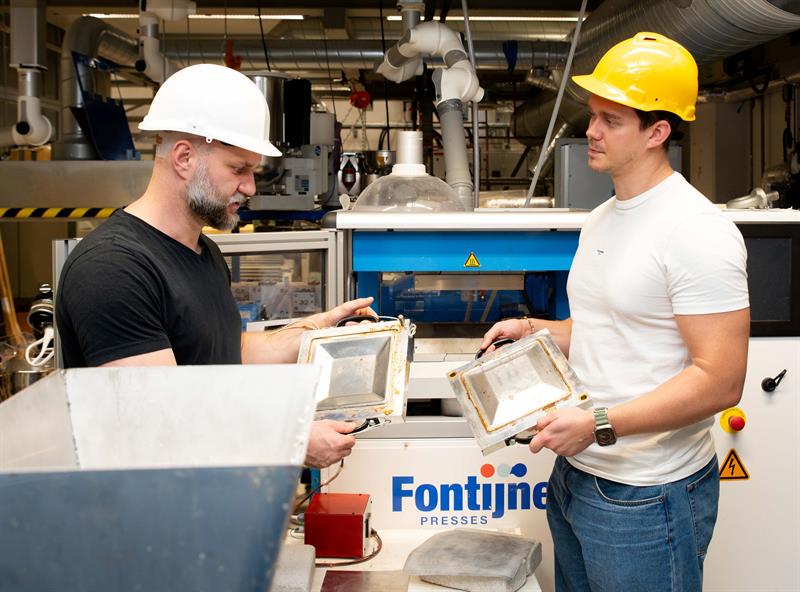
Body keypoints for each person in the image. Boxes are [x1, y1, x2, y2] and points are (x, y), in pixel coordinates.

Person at [481, 33, 750, 591]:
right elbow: (611, 328)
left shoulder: (697, 232)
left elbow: (721, 379)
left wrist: (599, 425)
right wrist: (537, 331)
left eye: (611, 120)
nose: (591, 131)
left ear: (657, 132)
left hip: (647, 495)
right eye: (593, 115)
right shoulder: (603, 217)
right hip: (580, 476)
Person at [56, 64, 372, 469]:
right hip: (142, 520)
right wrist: (288, 438)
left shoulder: (204, 251)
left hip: (203, 505)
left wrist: (318, 331)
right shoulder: (114, 268)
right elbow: (157, 418)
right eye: (238, 169)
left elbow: (225, 350)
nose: (250, 187)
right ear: (184, 157)